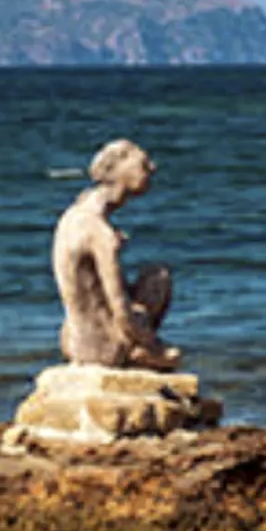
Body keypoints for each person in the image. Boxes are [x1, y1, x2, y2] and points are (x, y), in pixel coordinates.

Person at [52, 138, 182, 370]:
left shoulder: (74, 215)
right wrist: (156, 347)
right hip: (102, 347)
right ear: (118, 169)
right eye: (143, 164)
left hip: (73, 341)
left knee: (153, 276)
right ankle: (134, 353)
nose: (152, 168)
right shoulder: (99, 231)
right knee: (159, 279)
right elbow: (121, 312)